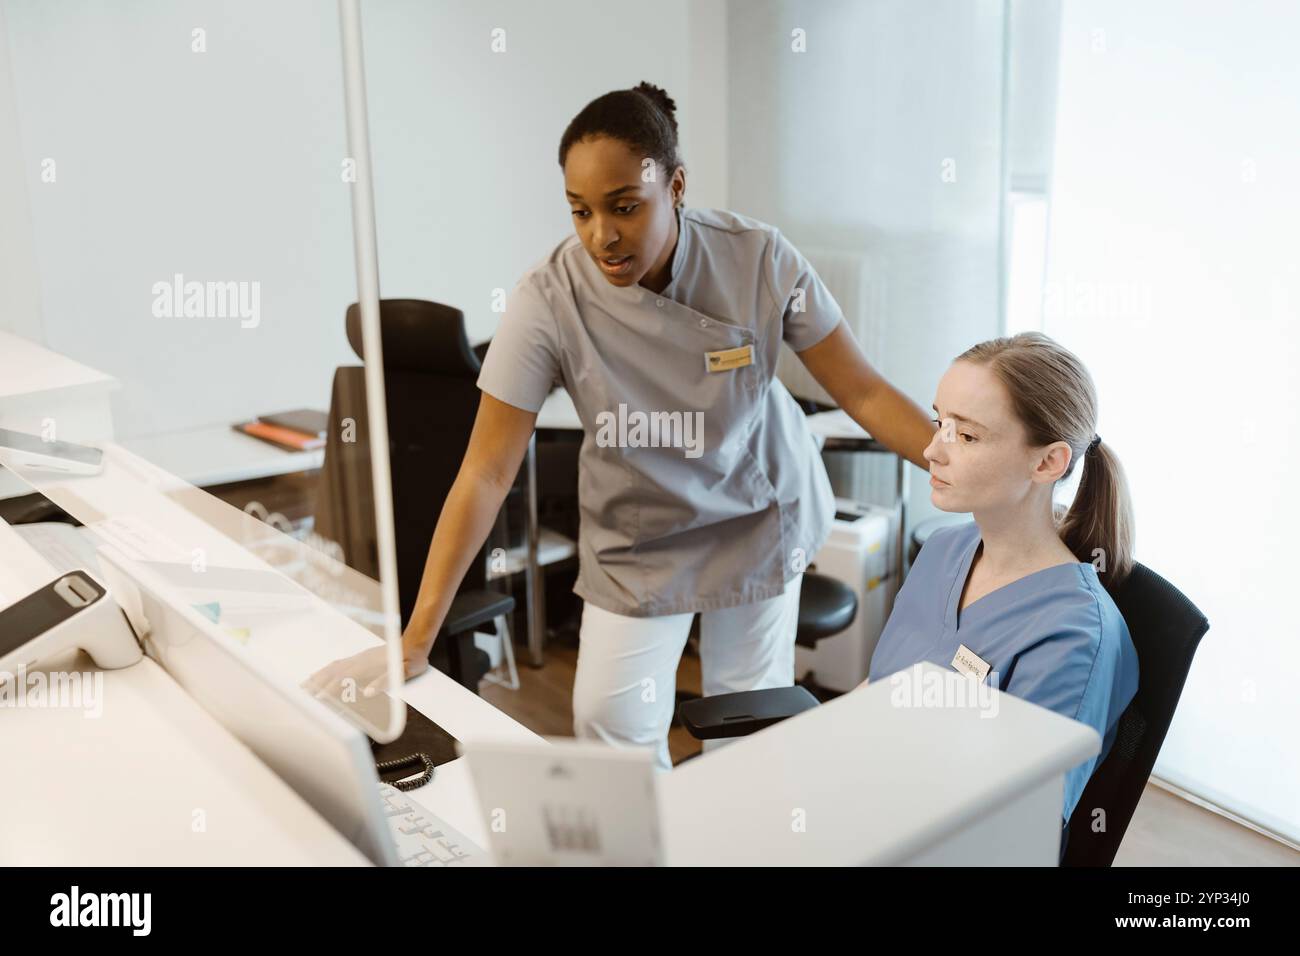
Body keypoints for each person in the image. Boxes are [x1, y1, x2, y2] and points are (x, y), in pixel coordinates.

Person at [310, 81, 934, 770]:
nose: (601, 235)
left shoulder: (759, 258)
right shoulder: (548, 299)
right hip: (639, 534)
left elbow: (865, 391)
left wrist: (958, 462)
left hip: (756, 511)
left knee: (748, 721)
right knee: (608, 724)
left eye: (625, 207)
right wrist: (415, 637)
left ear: (676, 186)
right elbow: (486, 472)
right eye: (580, 211)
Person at [867, 331, 1139, 851]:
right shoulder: (944, 550)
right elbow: (875, 688)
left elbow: (1012, 837)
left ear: (1047, 463)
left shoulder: (1073, 637)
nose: (931, 451)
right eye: (938, 423)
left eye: (966, 437)